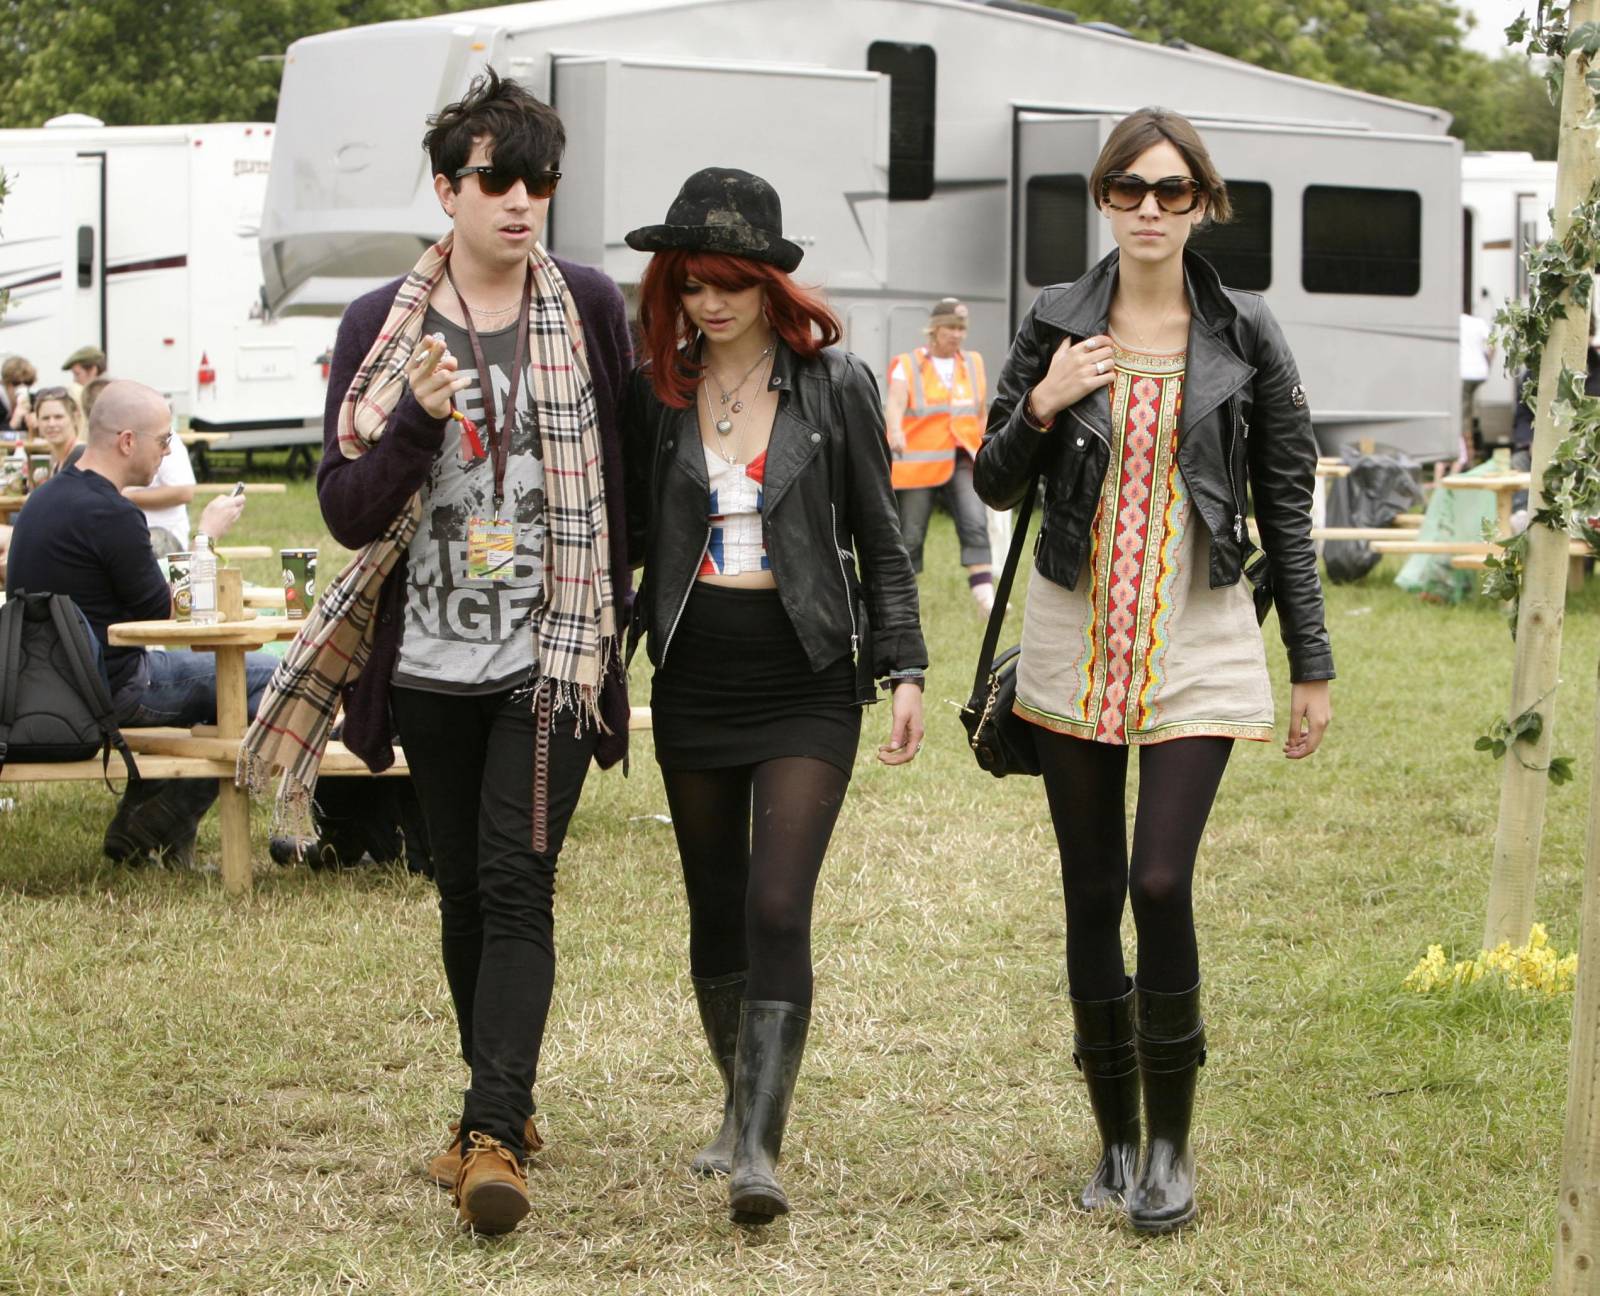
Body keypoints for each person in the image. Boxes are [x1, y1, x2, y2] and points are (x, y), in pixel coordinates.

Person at [238, 68, 633, 1237]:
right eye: (496, 179)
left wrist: (620, 620)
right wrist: (412, 415)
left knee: (519, 880)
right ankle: (496, 1106)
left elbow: (624, 468)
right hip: (425, 663)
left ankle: (492, 1128)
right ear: (447, 189)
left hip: (549, 654)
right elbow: (350, 514)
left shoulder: (592, 306)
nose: (521, 201)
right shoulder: (380, 325)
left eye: (539, 181)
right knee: (460, 887)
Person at [974, 107, 1333, 1234]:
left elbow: (1285, 498)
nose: (1147, 209)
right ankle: (1115, 1138)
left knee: (1158, 882)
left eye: (1171, 191)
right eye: (1127, 188)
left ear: (1202, 204)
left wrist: (1310, 664)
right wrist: (1042, 401)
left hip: (1202, 629)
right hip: (1073, 633)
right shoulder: (1053, 321)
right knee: (1090, 895)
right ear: (1102, 197)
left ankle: (1171, 1148)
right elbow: (989, 483)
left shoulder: (1245, 333)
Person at [622, 167, 927, 1226]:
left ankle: (759, 1146)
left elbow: (881, 542)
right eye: (694, 283)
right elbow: (627, 543)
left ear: (769, 286)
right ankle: (733, 1104)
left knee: (775, 901)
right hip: (695, 671)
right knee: (714, 904)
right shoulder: (654, 391)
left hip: (804, 673)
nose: (712, 303)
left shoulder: (832, 385)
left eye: (733, 284)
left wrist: (905, 669)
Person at [4, 380, 260, 865]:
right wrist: (204, 537)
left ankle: (149, 817)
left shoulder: (43, 500)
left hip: (43, 684)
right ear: (127, 441)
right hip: (112, 686)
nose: (167, 453)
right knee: (265, 680)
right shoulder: (112, 513)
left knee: (220, 689)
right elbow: (162, 615)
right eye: (164, 441)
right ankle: (154, 822)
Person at [885, 297, 995, 612]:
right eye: (951, 327)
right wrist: (895, 430)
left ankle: (986, 599)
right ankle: (902, 601)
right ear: (934, 329)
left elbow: (980, 411)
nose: (957, 334)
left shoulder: (973, 363)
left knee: (974, 520)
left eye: (962, 328)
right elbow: (894, 404)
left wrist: (989, 448)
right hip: (919, 461)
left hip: (963, 454)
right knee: (911, 533)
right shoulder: (907, 365)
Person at [125, 429, 197, 555]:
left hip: (162, 546)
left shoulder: (164, 435)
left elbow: (184, 492)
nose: (167, 450)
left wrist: (122, 496)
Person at [1459, 311, 1493, 467]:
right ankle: (1472, 451)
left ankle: (1468, 458)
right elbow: (1493, 344)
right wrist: (1488, 363)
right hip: (1480, 372)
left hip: (1463, 373)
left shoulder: (1455, 321)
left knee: (1463, 417)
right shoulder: (1478, 322)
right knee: (1470, 411)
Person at [31, 388, 84, 479]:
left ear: (75, 418)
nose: (51, 424)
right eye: (45, 418)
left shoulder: (80, 456)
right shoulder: (59, 462)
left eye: (58, 417)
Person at [2, 355, 36, 437]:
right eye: (16, 383)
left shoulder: (35, 401)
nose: (22, 387)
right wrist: (13, 422)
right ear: (5, 384)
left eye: (28, 382)